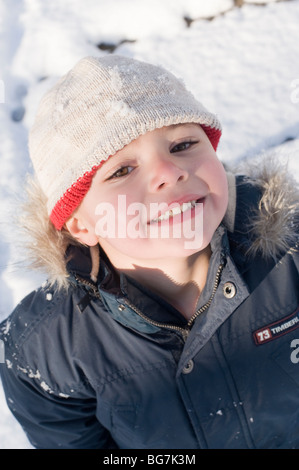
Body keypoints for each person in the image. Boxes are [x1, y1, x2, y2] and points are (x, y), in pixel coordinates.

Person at [0, 55, 298, 450]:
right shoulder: (46, 348)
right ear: (80, 224)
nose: (169, 172)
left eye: (183, 144)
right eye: (122, 170)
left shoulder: (289, 255)